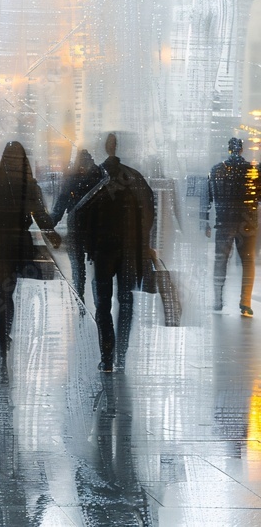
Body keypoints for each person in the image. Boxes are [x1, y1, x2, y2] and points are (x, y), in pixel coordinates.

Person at [0, 141, 60, 358]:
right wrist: (52, 235)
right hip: (17, 245)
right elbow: (39, 215)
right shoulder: (29, 185)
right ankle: (5, 336)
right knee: (8, 293)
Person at [76, 133, 155, 372]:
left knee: (103, 303)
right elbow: (148, 210)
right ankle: (121, 352)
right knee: (126, 300)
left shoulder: (95, 177)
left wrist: (88, 245)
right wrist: (142, 242)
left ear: (104, 148)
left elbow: (81, 214)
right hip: (129, 249)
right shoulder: (134, 177)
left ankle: (107, 356)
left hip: (102, 251)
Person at [203, 137, 259, 317]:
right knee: (248, 261)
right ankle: (245, 302)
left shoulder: (216, 170)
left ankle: (218, 299)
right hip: (247, 223)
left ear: (228, 149)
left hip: (224, 221)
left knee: (221, 261)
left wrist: (204, 222)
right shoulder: (252, 171)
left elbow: (208, 198)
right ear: (241, 150)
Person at [50, 149, 103, 303]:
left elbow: (61, 203)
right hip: (95, 227)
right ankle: (97, 302)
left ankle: (79, 300)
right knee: (98, 268)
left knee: (78, 267)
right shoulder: (98, 176)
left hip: (76, 225)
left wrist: (49, 225)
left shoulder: (73, 178)